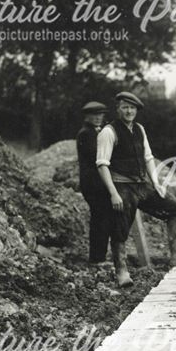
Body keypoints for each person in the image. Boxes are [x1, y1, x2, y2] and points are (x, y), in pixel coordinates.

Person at [96, 91, 176, 287]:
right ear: (118, 109)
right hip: (121, 185)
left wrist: (157, 184)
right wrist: (113, 193)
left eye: (132, 108)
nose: (129, 111)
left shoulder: (139, 129)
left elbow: (148, 158)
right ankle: (121, 271)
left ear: (136, 110)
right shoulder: (108, 132)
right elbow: (102, 165)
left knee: (175, 209)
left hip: (141, 184)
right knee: (120, 228)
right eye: (125, 107)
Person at [76, 100, 112, 264]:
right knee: (99, 219)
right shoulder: (86, 134)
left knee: (102, 219)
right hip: (93, 183)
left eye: (100, 115)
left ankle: (99, 256)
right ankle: (97, 258)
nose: (98, 118)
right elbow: (97, 157)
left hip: (99, 183)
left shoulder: (100, 131)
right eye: (94, 116)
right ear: (87, 117)